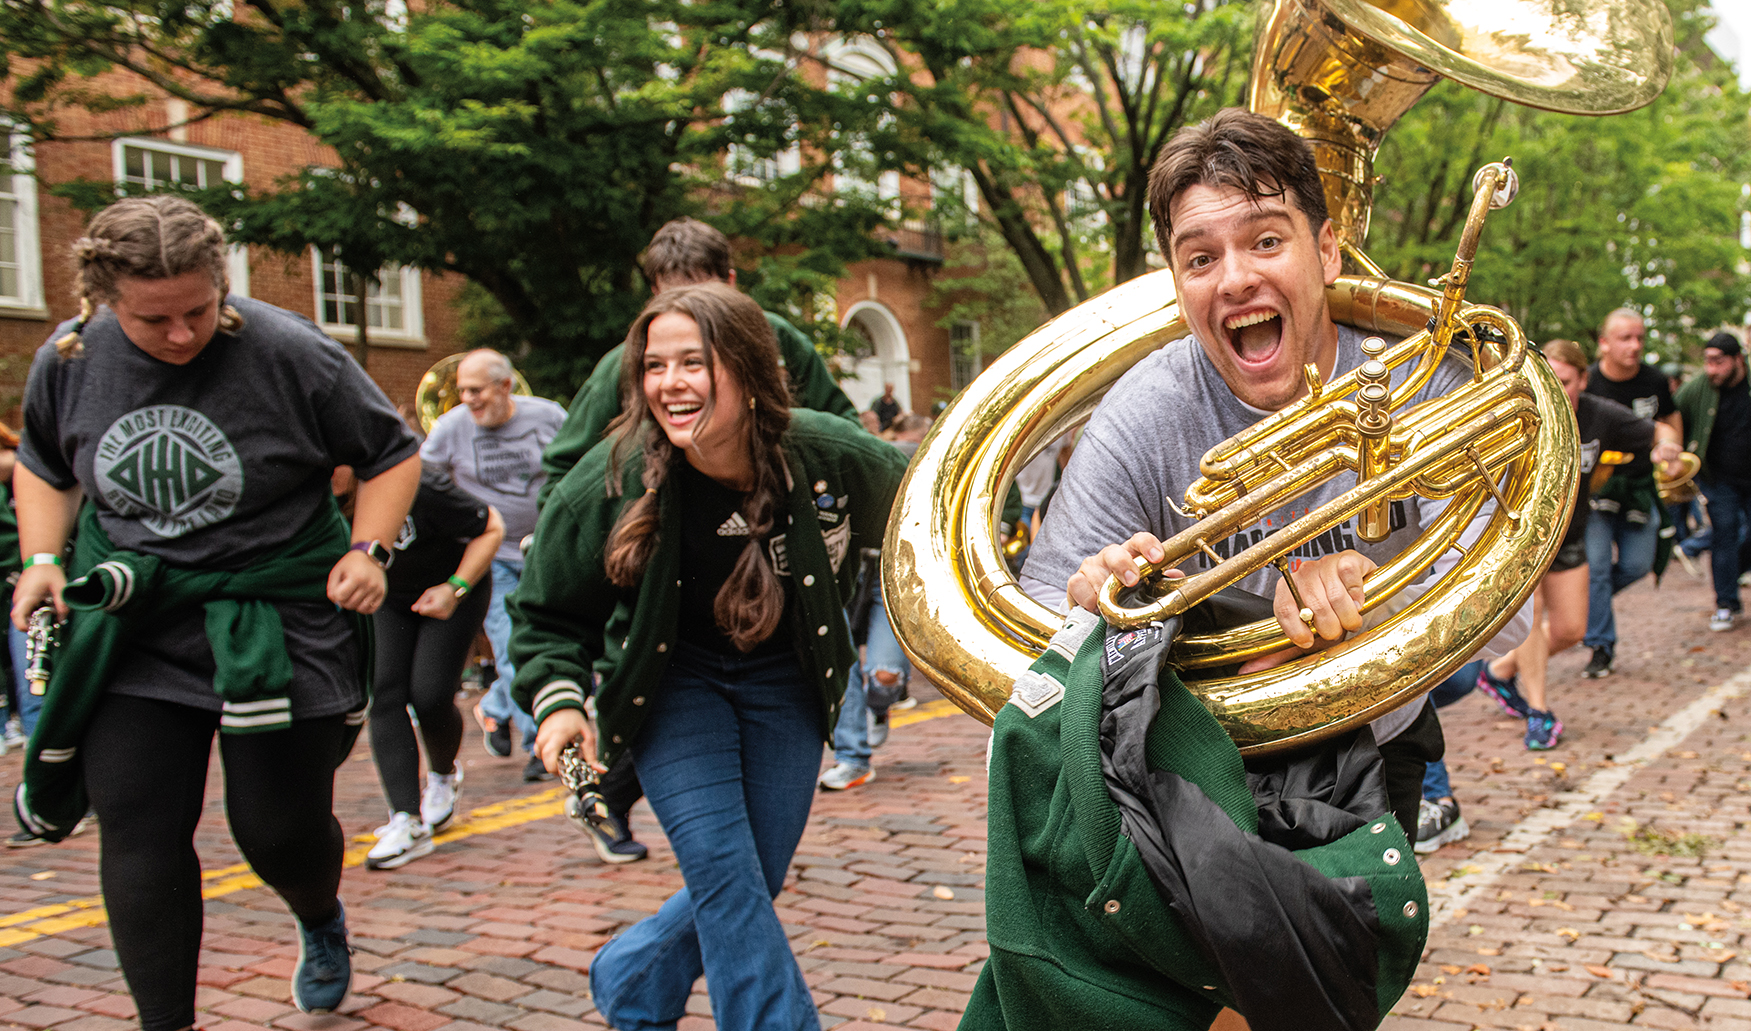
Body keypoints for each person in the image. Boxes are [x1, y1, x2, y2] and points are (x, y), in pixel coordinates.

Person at [1018, 108, 1530, 838]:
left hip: (1372, 746)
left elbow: (1509, 601)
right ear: (1175, 282)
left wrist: (1370, 610)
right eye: (1199, 259)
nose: (1233, 279)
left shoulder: (1429, 383)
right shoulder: (1145, 402)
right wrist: (1086, 606)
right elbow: (1041, 602)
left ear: (1325, 251)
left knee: (1352, 952)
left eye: (1265, 241)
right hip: (1194, 763)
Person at [10, 196, 420, 1020]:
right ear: (102, 299)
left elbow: (390, 452)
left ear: (221, 285)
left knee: (275, 829)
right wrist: (44, 560)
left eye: (198, 310)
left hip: (273, 612)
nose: (179, 335)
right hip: (142, 625)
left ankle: (319, 914)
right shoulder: (70, 357)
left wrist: (366, 551)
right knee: (140, 828)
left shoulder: (289, 350)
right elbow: (45, 466)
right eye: (151, 319)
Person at [509, 282, 907, 1031]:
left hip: (786, 677)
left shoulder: (829, 454)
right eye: (655, 365)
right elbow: (545, 612)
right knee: (726, 873)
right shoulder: (613, 474)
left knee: (756, 875)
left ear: (748, 369)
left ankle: (631, 975)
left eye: (693, 361)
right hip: (673, 683)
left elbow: (932, 522)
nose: (669, 382)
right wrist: (558, 698)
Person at [536, 216, 859, 862]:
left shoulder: (781, 346)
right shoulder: (625, 375)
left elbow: (848, 447)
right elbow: (565, 483)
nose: (681, 312)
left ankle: (632, 961)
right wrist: (599, 552)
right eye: (663, 296)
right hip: (668, 621)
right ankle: (617, 799)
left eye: (700, 293)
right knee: (708, 831)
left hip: (775, 629)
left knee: (746, 868)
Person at [1475, 339, 1655, 749]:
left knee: (1572, 629)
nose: (1557, 390)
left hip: (1570, 532)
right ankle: (1539, 712)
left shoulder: (1597, 414)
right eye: (1549, 380)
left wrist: (1667, 449)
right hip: (1521, 533)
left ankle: (1499, 672)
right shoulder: (1519, 413)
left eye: (1566, 381)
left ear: (1583, 379)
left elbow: (1655, 431)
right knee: (1532, 618)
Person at [420, 349, 566, 783]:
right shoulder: (450, 429)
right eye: (462, 390)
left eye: (477, 389)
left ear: (506, 386)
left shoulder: (548, 417)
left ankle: (497, 706)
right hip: (492, 557)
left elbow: (576, 464)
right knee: (510, 646)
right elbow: (419, 482)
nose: (467, 398)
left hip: (544, 550)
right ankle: (540, 745)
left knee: (549, 642)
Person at [355, 464, 504, 869]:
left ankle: (442, 776)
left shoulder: (422, 486)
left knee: (430, 694)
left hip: (452, 587)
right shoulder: (325, 497)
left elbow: (492, 528)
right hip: (389, 596)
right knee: (384, 692)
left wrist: (454, 588)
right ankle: (406, 819)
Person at [819, 412, 932, 790]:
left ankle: (879, 707)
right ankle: (852, 758)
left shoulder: (916, 470)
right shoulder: (840, 475)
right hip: (846, 578)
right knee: (843, 664)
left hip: (891, 580)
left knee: (885, 675)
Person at [1579, 308, 1684, 675]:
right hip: (1595, 492)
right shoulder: (1587, 385)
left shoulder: (1653, 380)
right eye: (1626, 338)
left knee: (1638, 564)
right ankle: (1600, 646)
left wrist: (1672, 451)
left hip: (1639, 486)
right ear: (1603, 344)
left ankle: (1588, 604)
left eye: (1640, 338)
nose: (1635, 346)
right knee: (1596, 571)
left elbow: (1669, 422)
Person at [1676, 331, 1751, 631]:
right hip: (1719, 479)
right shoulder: (1697, 389)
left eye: (1718, 362)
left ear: (1737, 360)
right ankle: (1725, 603)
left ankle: (1733, 574)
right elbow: (1670, 416)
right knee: (1725, 535)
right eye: (1707, 361)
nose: (1711, 369)